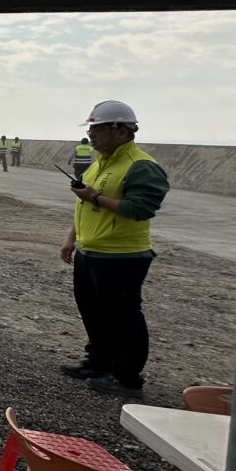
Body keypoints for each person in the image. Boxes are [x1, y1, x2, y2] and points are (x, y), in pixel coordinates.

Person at [58, 101, 170, 399]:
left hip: (121, 256)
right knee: (93, 312)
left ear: (120, 130)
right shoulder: (100, 162)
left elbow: (141, 208)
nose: (91, 136)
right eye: (91, 129)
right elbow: (84, 202)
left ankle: (127, 378)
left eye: (96, 129)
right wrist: (72, 238)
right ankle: (98, 363)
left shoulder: (141, 165)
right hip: (90, 251)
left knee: (124, 317)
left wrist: (95, 197)